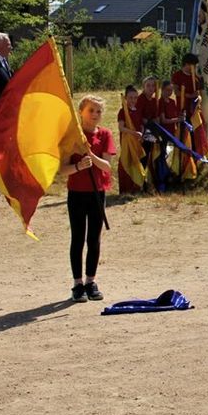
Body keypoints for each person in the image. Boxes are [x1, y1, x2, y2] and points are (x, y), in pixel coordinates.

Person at [59, 95, 116, 302]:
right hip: (76, 193)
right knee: (77, 238)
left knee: (94, 239)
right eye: (91, 110)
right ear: (81, 111)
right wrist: (76, 166)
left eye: (98, 111)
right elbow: (62, 170)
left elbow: (107, 167)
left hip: (97, 193)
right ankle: (77, 284)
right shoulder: (73, 136)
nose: (95, 115)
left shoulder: (106, 135)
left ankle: (91, 281)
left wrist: (89, 155)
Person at [117, 85, 145, 194]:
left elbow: (141, 124)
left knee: (136, 163)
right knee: (126, 162)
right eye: (130, 98)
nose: (133, 100)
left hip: (137, 141)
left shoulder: (138, 110)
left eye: (135, 98)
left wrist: (141, 133)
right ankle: (126, 189)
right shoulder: (122, 111)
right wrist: (134, 133)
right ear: (126, 98)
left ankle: (136, 187)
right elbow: (121, 128)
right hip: (127, 141)